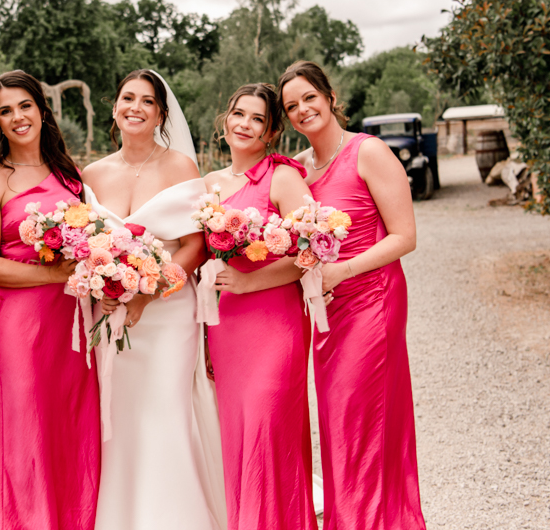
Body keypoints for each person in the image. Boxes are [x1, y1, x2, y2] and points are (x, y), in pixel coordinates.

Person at [278, 60, 426, 530]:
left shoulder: (369, 152)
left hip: (372, 300)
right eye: (291, 107)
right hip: (324, 310)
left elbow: (405, 236)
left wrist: (341, 271)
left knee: (363, 419)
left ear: (330, 97)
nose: (302, 110)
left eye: (309, 98)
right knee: (338, 424)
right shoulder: (298, 169)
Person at [81, 69, 226, 530]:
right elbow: (85, 246)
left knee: (164, 409)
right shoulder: (92, 174)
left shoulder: (180, 166)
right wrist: (105, 287)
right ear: (114, 107)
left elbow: (195, 246)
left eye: (147, 101)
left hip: (167, 313)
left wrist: (149, 293)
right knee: (121, 416)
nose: (135, 108)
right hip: (111, 317)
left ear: (161, 114)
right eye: (128, 98)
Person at [0, 70, 100, 530]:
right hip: (19, 326)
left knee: (70, 427)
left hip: (70, 322)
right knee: (26, 432)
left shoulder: (69, 175)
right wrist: (53, 272)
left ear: (42, 110)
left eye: (25, 106)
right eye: (5, 111)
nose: (17, 117)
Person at [201, 83, 318, 530]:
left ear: (271, 132)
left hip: (275, 325)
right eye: (238, 114)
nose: (244, 125)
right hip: (227, 328)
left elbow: (312, 252)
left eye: (257, 119)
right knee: (238, 438)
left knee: (268, 429)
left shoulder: (284, 178)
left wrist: (252, 283)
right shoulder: (212, 184)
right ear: (225, 120)